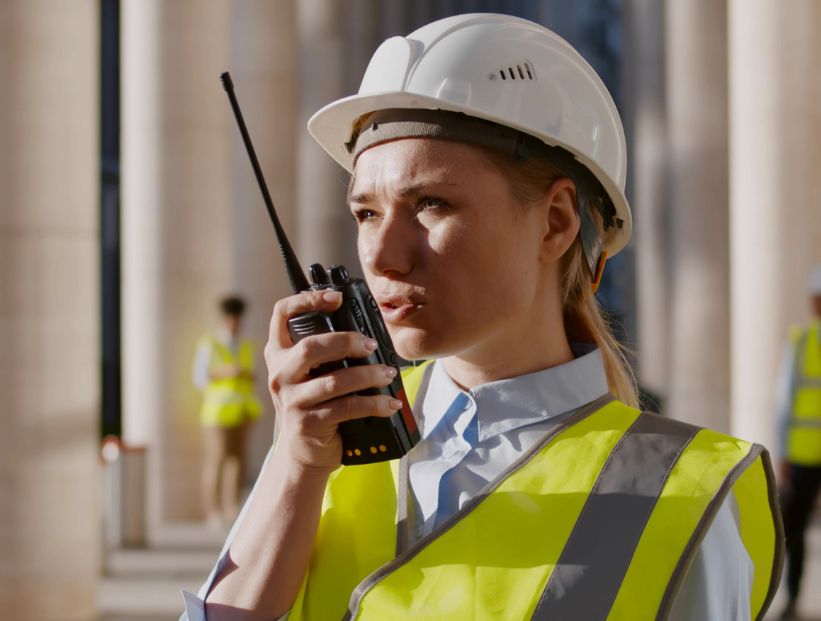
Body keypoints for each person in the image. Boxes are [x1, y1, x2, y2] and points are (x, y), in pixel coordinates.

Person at [182, 14, 782, 621]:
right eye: (365, 213)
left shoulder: (694, 491)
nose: (382, 256)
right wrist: (296, 462)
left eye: (430, 204)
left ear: (556, 223)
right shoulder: (325, 441)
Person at [192, 295, 262, 528]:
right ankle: (213, 511)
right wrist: (225, 372)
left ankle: (232, 507)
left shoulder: (245, 345)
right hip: (217, 414)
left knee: (238, 461)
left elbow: (251, 376)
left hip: (241, 411)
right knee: (218, 459)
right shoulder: (210, 343)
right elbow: (200, 378)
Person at [776, 265, 821, 620]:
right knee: (796, 529)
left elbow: (784, 402)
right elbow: (785, 402)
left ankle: (792, 600)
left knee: (797, 528)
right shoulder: (802, 341)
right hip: (804, 455)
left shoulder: (804, 341)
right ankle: (792, 597)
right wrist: (785, 452)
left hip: (804, 455)